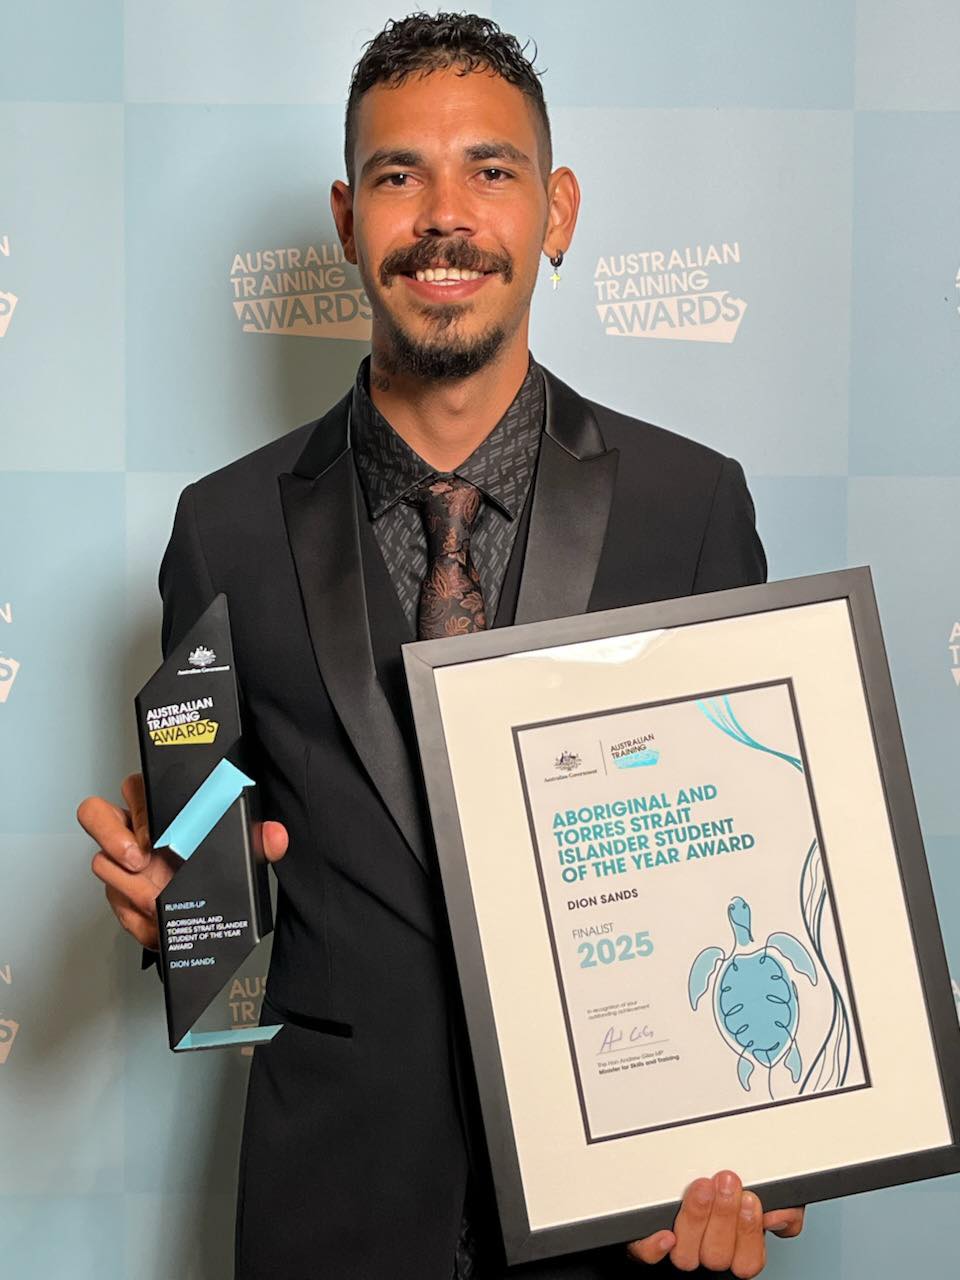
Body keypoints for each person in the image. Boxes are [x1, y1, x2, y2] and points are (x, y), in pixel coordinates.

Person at [77, 13, 804, 1279]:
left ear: (557, 211)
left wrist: (774, 1137)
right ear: (349, 216)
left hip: (622, 1226)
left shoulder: (692, 508)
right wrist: (175, 911)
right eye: (399, 174)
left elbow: (745, 851)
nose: (444, 215)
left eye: (492, 169)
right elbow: (226, 903)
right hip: (332, 1217)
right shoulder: (225, 527)